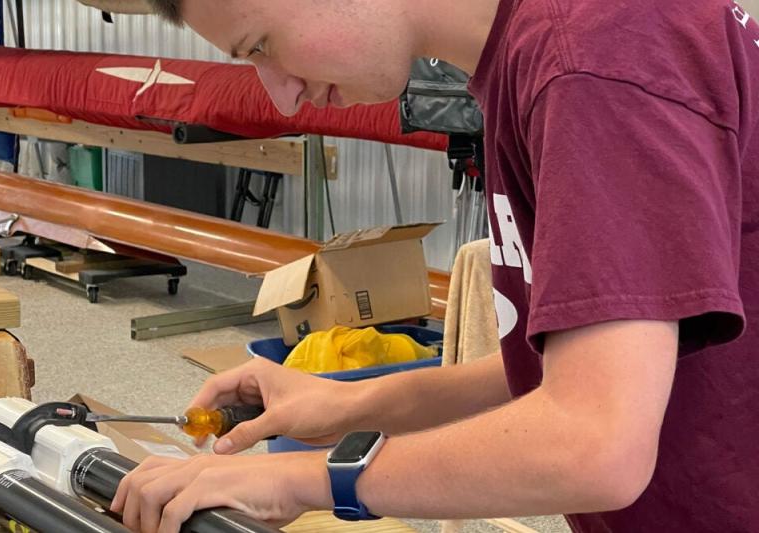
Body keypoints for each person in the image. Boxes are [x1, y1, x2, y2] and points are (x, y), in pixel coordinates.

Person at [111, 1, 759, 532]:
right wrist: (351, 403)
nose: (281, 98)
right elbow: (566, 374)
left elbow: (596, 441)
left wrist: (306, 477)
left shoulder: (593, 55)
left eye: (260, 46)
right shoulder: (538, 53)